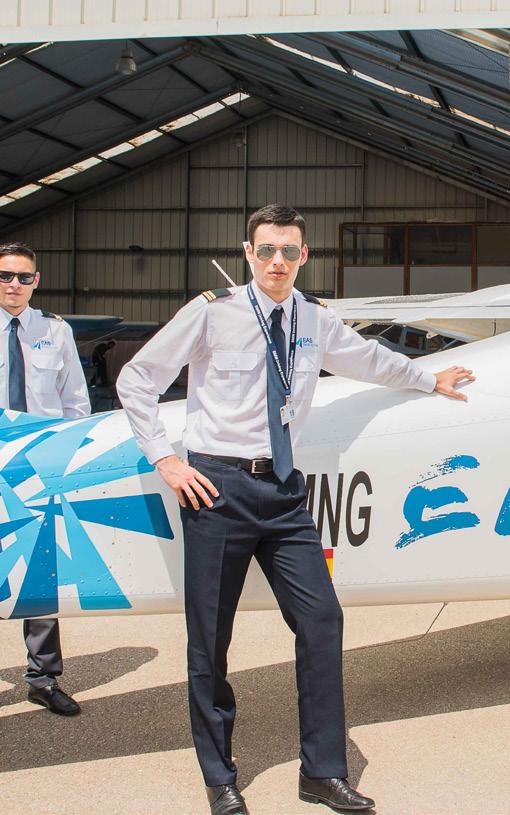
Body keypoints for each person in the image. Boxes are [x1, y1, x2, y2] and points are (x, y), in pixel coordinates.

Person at [116, 204, 473, 815]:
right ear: (248, 254)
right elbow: (137, 378)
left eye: (288, 251)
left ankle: (322, 772)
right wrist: (165, 461)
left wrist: (427, 379)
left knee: (322, 620)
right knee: (209, 640)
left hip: (283, 493)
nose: (276, 261)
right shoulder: (211, 313)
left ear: (304, 256)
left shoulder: (314, 317)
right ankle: (219, 778)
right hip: (217, 489)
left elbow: (369, 359)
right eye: (266, 250)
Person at [0, 241, 90, 716]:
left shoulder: (55, 331)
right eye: (5, 276)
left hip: (37, 466)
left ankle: (42, 678)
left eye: (23, 277)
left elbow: (74, 400)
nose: (14, 285)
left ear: (36, 281)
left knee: (39, 573)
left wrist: (67, 461)